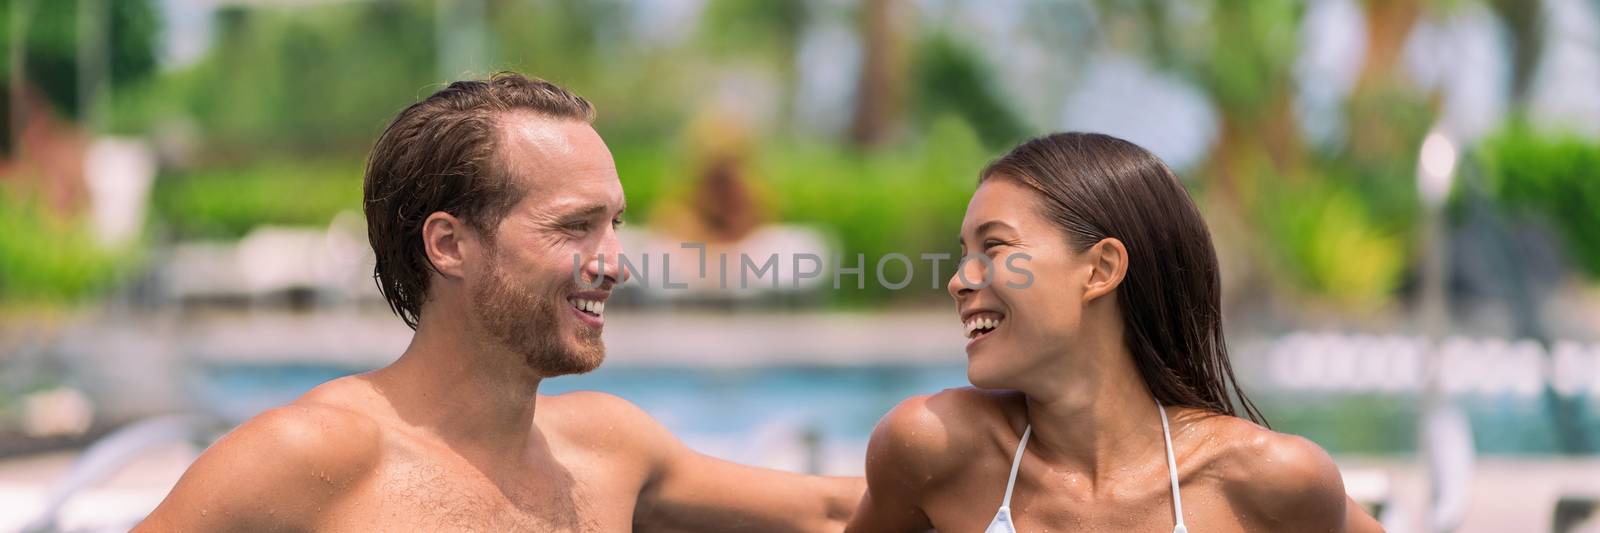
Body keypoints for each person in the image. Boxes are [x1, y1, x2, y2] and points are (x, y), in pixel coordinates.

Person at [136, 73, 862, 532]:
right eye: (575, 227)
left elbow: (837, 512)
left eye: (616, 224)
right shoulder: (309, 457)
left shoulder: (610, 448)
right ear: (450, 244)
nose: (614, 263)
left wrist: (965, 426)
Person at [844, 132, 1385, 532]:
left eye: (996, 247)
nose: (959, 281)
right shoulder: (934, 449)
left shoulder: (1269, 479)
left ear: (1100, 270)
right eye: (965, 255)